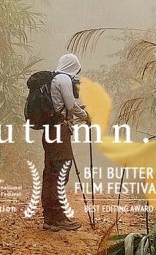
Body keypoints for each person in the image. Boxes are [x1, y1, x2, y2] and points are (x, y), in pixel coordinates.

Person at [41, 52, 89, 232]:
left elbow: (61, 106)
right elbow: (70, 105)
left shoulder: (53, 80)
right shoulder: (64, 80)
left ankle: (50, 216)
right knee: (61, 171)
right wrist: (85, 116)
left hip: (49, 129)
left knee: (50, 172)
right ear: (73, 67)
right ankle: (57, 218)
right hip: (59, 132)